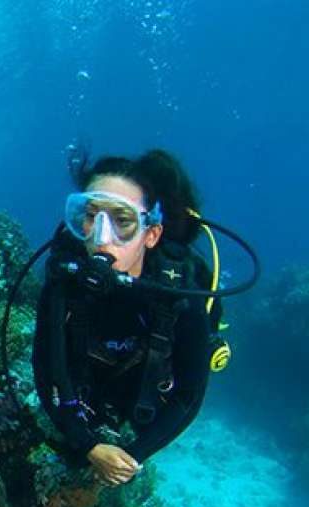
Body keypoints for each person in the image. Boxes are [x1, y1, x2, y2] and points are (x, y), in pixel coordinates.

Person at [30, 149, 215, 487]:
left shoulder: (180, 295)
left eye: (122, 220)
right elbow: (45, 368)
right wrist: (88, 446)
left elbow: (188, 395)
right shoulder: (64, 280)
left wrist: (134, 455)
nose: (101, 237)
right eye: (90, 216)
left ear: (152, 233)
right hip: (90, 388)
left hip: (146, 392)